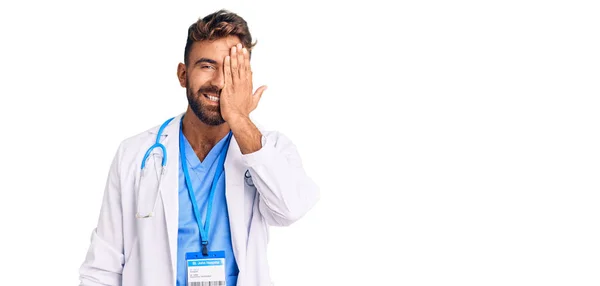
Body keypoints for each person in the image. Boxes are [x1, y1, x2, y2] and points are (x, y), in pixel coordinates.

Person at [78, 9, 320, 286]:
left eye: (231, 69)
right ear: (183, 75)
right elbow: (102, 267)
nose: (218, 82)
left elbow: (291, 209)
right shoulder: (135, 154)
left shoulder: (268, 147)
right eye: (207, 66)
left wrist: (240, 119)